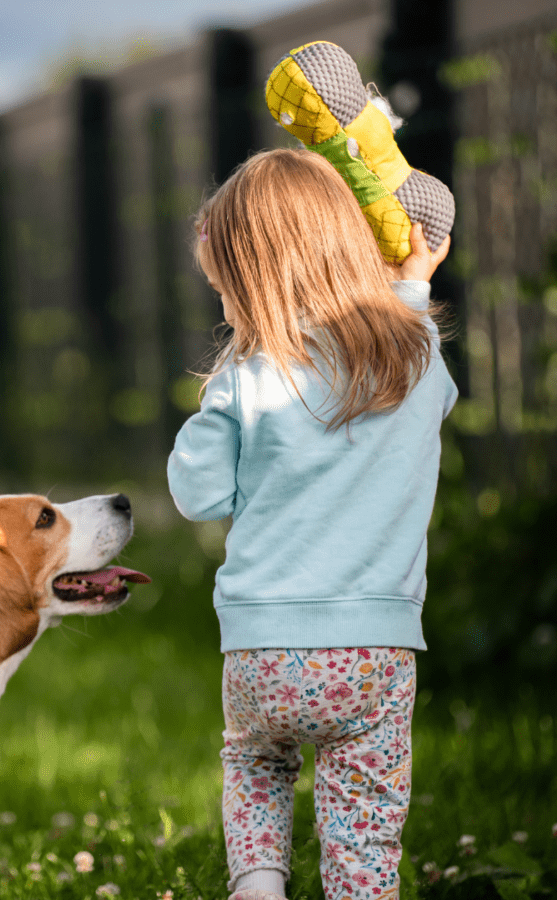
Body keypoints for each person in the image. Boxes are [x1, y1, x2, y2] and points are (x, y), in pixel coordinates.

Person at [167, 148, 457, 900]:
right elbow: (420, 367)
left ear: (256, 282)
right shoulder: (414, 357)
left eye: (226, 291)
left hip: (263, 649)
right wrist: (413, 286)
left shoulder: (248, 376)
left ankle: (259, 886)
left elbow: (197, 495)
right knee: (363, 818)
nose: (226, 309)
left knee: (257, 767)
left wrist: (216, 403)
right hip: (375, 653)